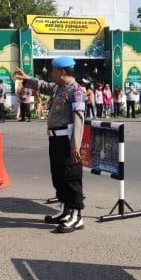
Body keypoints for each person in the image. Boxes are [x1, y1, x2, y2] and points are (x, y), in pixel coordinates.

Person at [13, 57, 85, 233]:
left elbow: (79, 118)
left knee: (71, 177)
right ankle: (64, 210)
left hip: (68, 141)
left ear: (62, 72)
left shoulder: (75, 91)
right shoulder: (59, 88)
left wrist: (75, 144)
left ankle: (76, 216)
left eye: (53, 70)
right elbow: (43, 85)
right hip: (55, 140)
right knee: (58, 176)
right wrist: (26, 78)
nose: (51, 73)